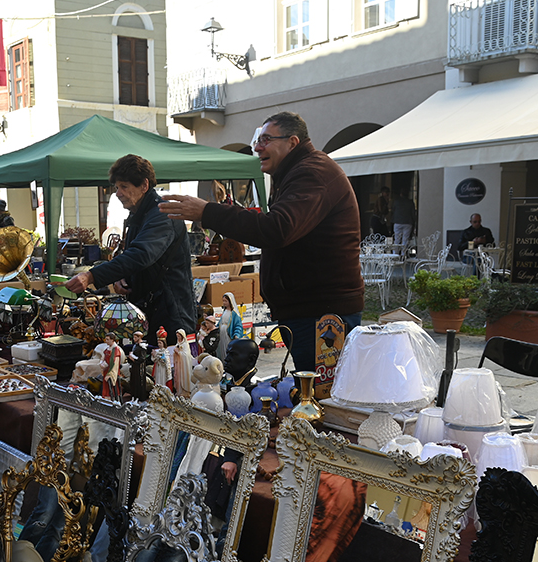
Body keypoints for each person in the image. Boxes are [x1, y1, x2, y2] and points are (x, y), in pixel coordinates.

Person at [161, 112, 363, 374]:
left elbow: (276, 229)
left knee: (321, 396)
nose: (257, 146)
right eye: (258, 139)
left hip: (321, 314)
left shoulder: (312, 172)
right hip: (310, 310)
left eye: (266, 140)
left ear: (292, 142)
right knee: (315, 391)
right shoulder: (297, 171)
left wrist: (208, 212)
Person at [66, 155, 195, 347]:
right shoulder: (140, 214)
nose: (117, 193)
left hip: (171, 316)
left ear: (144, 185)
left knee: (170, 373)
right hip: (151, 311)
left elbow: (141, 255)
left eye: (124, 186)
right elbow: (135, 259)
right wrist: (122, 278)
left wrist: (91, 276)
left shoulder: (162, 215)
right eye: (117, 187)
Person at [218, 290, 243, 361]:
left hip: (228, 335)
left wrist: (236, 334)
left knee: (228, 349)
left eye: (226, 301)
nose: (224, 303)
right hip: (222, 334)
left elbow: (238, 325)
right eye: (223, 301)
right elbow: (220, 322)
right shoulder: (224, 311)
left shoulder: (234, 314)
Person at [391, 188, 416, 252]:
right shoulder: (410, 202)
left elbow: (393, 210)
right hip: (408, 222)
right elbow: (413, 213)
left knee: (397, 239)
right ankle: (403, 254)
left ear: (401, 194)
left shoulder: (396, 201)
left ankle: (395, 254)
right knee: (405, 240)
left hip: (397, 221)